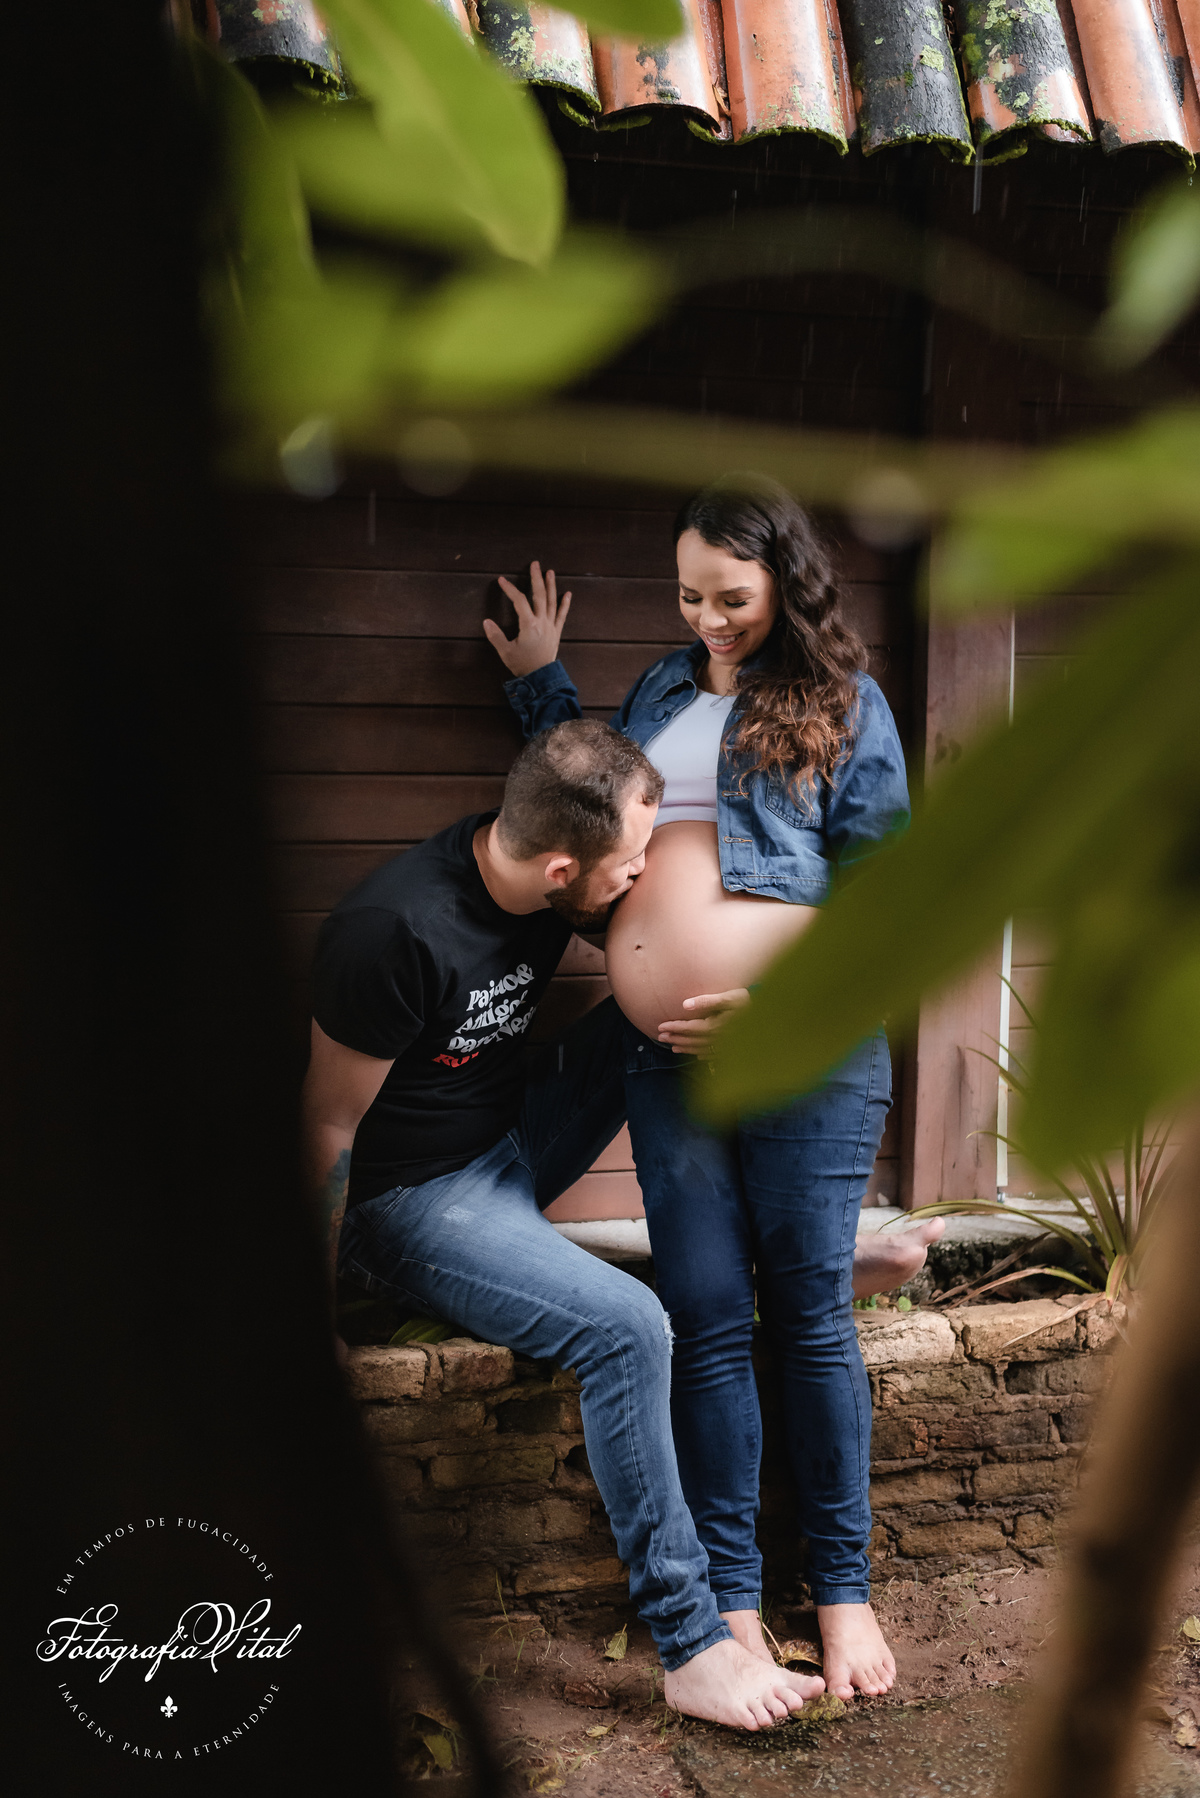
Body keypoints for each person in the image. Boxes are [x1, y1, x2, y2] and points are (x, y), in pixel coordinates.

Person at [487, 475, 943, 1704]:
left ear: (784, 584)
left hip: (808, 1054)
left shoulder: (849, 707)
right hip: (667, 1064)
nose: (709, 620)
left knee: (807, 1318)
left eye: (731, 597)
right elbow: (590, 791)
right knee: (700, 1314)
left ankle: (843, 1596)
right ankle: (733, 1603)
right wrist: (543, 682)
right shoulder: (660, 690)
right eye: (689, 595)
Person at [303, 719, 827, 1730]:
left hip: (512, 1138)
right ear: (559, 867)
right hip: (411, 1199)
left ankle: (792, 1247)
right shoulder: (392, 932)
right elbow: (325, 1123)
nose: (637, 878)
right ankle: (691, 1644)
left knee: (663, 1009)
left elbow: (655, 889)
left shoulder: (554, 862)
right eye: (627, 863)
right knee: (629, 1326)